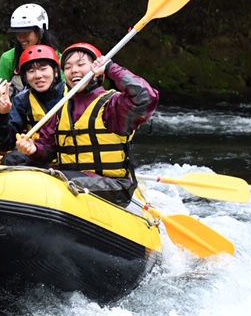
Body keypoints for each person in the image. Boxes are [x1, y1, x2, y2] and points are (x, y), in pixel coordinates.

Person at [15, 42, 159, 206]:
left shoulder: (113, 105)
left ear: (98, 71)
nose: (73, 70)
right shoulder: (61, 109)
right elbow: (47, 149)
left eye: (81, 64)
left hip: (113, 186)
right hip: (71, 182)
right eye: (68, 67)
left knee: (54, 180)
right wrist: (34, 150)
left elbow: (147, 97)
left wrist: (111, 68)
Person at [0, 3, 61, 97]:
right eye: (18, 33)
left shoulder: (56, 57)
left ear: (40, 30)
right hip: (16, 109)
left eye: (26, 33)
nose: (21, 38)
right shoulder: (8, 58)